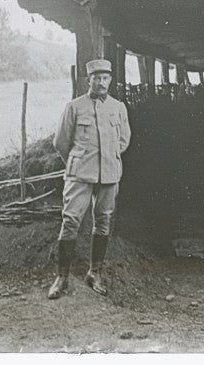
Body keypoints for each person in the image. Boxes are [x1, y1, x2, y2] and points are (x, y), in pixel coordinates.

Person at [47, 58, 131, 299]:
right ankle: (62, 277)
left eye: (105, 78)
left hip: (109, 173)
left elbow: (123, 141)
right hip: (80, 173)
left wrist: (109, 156)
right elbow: (61, 142)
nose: (101, 83)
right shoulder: (74, 107)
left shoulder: (118, 108)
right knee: (71, 220)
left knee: (103, 221)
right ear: (89, 80)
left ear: (110, 81)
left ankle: (95, 272)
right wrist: (77, 160)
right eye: (97, 78)